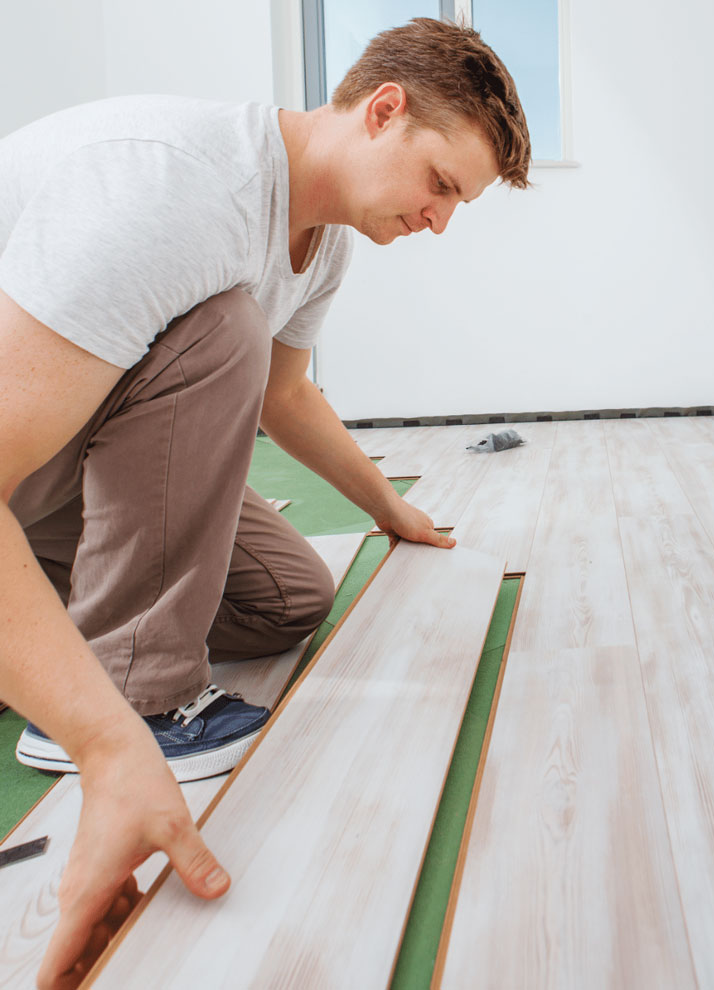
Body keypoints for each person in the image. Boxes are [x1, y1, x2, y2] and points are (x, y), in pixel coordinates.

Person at [0, 16, 530, 989]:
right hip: (21, 436)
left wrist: (390, 510)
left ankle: (34, 625)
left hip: (60, 441)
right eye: (442, 184)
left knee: (288, 598)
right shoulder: (174, 191)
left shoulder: (322, 242)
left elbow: (286, 398)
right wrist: (106, 745)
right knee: (224, 330)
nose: (440, 220)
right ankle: (129, 697)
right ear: (383, 110)